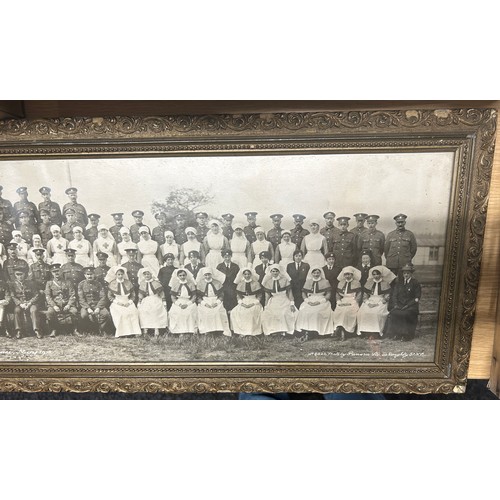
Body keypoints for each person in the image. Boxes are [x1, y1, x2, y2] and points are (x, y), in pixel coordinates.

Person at [296, 267, 335, 339]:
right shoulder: (308, 281)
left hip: (322, 300)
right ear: (311, 274)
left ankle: (317, 331)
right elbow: (303, 293)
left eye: (318, 273)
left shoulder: (325, 281)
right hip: (310, 299)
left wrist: (320, 301)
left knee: (317, 312)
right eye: (314, 273)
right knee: (304, 311)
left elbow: (328, 294)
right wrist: (307, 301)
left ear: (320, 273)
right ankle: (306, 330)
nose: (316, 274)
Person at [357, 266, 395, 339]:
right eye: (374, 274)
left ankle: (375, 332)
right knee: (362, 312)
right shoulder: (369, 283)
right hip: (370, 300)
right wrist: (368, 303)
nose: (375, 276)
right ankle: (365, 332)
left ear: (381, 274)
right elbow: (365, 296)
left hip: (381, 301)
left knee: (377, 313)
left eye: (377, 274)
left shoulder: (385, 283)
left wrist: (378, 304)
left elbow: (387, 297)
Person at [386, 264, 421, 341]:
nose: (406, 275)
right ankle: (396, 334)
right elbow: (394, 295)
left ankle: (407, 335)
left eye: (408, 273)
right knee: (394, 313)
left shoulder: (415, 283)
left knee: (405, 314)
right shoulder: (399, 283)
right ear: (402, 274)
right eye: (404, 273)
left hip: (411, 306)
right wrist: (395, 304)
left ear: (411, 274)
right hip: (399, 305)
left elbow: (417, 297)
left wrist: (408, 305)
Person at [261, 264, 297, 337]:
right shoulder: (268, 282)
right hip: (274, 300)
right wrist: (265, 306)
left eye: (276, 271)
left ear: (279, 272)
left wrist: (292, 304)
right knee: (270, 314)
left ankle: (284, 331)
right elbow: (267, 296)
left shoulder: (285, 280)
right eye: (273, 271)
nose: (275, 273)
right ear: (270, 272)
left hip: (284, 299)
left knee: (284, 313)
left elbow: (290, 294)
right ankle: (274, 331)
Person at [45, 263, 79, 337]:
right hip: (55, 304)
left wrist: (69, 305)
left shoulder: (68, 282)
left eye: (58, 271)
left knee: (74, 311)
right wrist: (54, 306)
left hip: (66, 303)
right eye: (54, 272)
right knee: (50, 312)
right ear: (51, 273)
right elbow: (48, 296)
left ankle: (75, 330)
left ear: (61, 271)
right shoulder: (49, 283)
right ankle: (54, 329)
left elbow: (72, 294)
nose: (56, 273)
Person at [8, 266, 42, 339]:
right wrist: (20, 304)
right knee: (16, 310)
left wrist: (29, 303)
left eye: (21, 274)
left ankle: (36, 330)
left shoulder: (31, 283)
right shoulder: (12, 284)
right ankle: (18, 330)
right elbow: (13, 296)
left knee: (34, 310)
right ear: (14, 275)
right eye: (17, 274)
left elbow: (36, 295)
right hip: (20, 304)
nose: (20, 276)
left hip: (31, 303)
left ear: (25, 274)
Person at [107, 266, 141, 338]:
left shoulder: (128, 282)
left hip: (127, 301)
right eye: (118, 274)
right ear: (115, 275)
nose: (120, 276)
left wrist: (130, 302)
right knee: (122, 314)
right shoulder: (112, 283)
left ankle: (134, 332)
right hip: (117, 302)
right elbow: (110, 296)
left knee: (134, 312)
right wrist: (118, 303)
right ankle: (123, 333)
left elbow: (133, 294)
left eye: (121, 274)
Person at [195, 267, 230, 336]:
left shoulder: (217, 282)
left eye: (209, 274)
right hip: (205, 300)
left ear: (211, 274)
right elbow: (198, 297)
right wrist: (204, 303)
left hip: (216, 300)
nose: (207, 276)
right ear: (203, 275)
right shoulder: (200, 283)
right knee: (205, 311)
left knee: (218, 311)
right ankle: (206, 330)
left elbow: (221, 295)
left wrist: (217, 302)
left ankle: (219, 329)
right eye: (206, 275)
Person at [78, 266, 111, 335]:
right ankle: (89, 330)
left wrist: (98, 307)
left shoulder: (98, 284)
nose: (89, 276)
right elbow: (81, 299)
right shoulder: (81, 284)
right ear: (85, 275)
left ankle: (100, 329)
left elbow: (103, 297)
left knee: (106, 314)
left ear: (94, 275)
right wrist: (88, 308)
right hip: (87, 305)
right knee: (84, 315)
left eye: (91, 274)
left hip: (97, 304)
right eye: (87, 274)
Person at [230, 267, 263, 337]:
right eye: (245, 274)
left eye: (248, 274)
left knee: (251, 312)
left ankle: (252, 331)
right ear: (243, 275)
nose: (247, 276)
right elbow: (238, 296)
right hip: (244, 301)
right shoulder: (240, 284)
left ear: (251, 274)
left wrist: (254, 303)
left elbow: (259, 295)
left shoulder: (256, 283)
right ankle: (242, 331)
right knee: (235, 312)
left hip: (254, 301)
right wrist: (241, 303)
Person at [332, 266, 363, 340]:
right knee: (338, 311)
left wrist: (356, 301)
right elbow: (338, 294)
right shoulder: (341, 282)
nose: (347, 276)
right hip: (343, 300)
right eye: (345, 274)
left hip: (352, 300)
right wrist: (338, 300)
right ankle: (338, 328)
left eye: (349, 274)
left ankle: (347, 330)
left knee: (347, 311)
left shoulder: (356, 283)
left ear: (352, 275)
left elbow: (359, 294)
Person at [137, 267, 168, 337]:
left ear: (151, 274)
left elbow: (162, 294)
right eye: (145, 275)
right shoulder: (142, 283)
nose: (147, 276)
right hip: (146, 299)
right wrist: (139, 302)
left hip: (156, 299)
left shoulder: (156, 283)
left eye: (148, 274)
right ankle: (145, 329)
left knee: (155, 311)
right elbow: (141, 295)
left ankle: (156, 329)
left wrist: (164, 303)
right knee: (143, 311)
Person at [168, 268, 198, 335]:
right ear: (178, 276)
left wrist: (188, 304)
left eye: (184, 275)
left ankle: (191, 330)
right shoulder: (175, 284)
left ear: (186, 275)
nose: (182, 277)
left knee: (190, 312)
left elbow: (194, 296)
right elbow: (173, 297)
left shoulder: (191, 284)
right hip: (179, 302)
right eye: (180, 275)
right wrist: (179, 304)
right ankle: (180, 331)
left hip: (189, 301)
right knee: (176, 312)